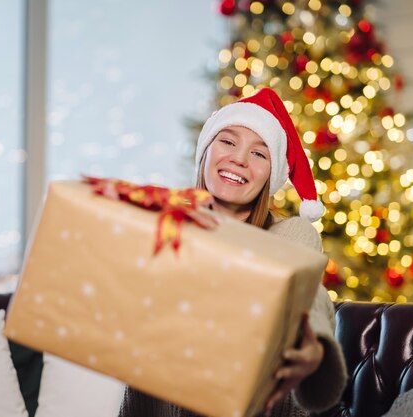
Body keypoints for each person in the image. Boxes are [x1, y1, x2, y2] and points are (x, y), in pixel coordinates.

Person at [119, 88, 347, 417]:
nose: (239, 159)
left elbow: (305, 293)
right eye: (227, 142)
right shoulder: (168, 236)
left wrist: (315, 349)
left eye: (259, 154)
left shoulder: (289, 235)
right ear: (206, 153)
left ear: (270, 176)